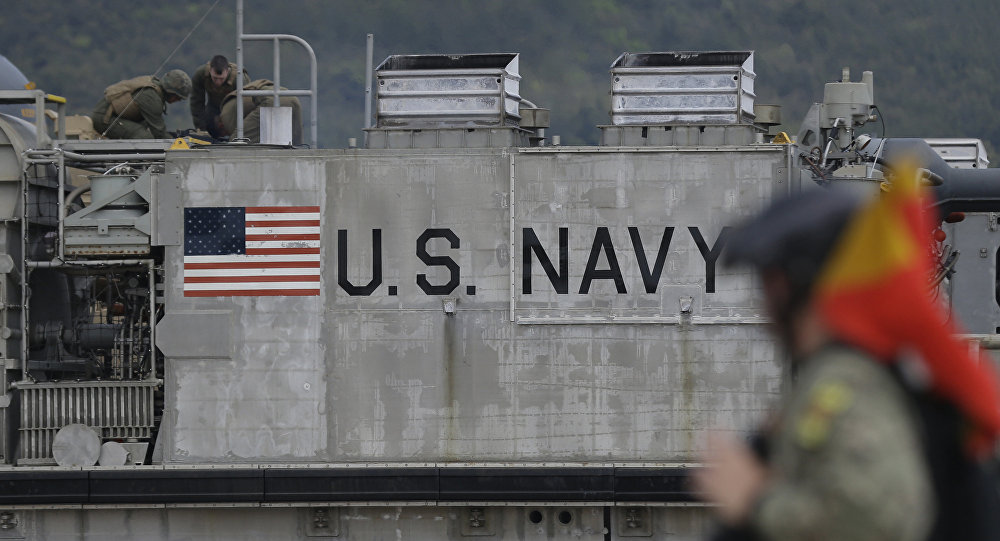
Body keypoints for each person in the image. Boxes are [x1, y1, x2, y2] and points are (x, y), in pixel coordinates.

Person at [694, 183, 1000, 541]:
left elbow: (875, 523)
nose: (763, 308)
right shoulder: (873, 373)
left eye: (767, 283)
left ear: (787, 286)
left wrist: (756, 501)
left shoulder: (845, 383)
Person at [91, 69, 192, 139]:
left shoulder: (155, 90)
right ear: (171, 93)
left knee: (146, 131)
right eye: (178, 97)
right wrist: (177, 145)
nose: (178, 100)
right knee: (143, 136)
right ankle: (133, 164)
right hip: (104, 118)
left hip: (115, 116)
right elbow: (159, 133)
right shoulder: (151, 98)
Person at [218, 79, 302, 145]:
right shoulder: (236, 100)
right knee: (296, 146)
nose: (226, 134)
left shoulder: (225, 114)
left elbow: (238, 133)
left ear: (220, 126)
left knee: (236, 141)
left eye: (223, 134)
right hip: (292, 98)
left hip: (270, 100)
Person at [190, 54, 249, 138]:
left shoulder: (239, 80)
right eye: (215, 78)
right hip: (213, 108)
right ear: (210, 70)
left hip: (234, 110)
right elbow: (196, 103)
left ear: (227, 72)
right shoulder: (201, 75)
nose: (218, 82)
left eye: (221, 79)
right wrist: (202, 130)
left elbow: (246, 106)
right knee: (207, 123)